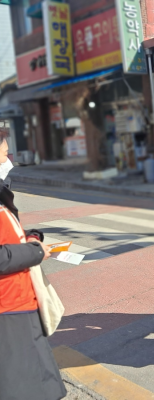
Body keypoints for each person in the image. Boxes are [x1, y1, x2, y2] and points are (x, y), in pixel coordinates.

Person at [0, 130, 67, 400]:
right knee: (28, 386)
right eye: (3, 153)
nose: (8, 160)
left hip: (19, 303)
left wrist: (30, 238)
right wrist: (34, 252)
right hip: (9, 309)